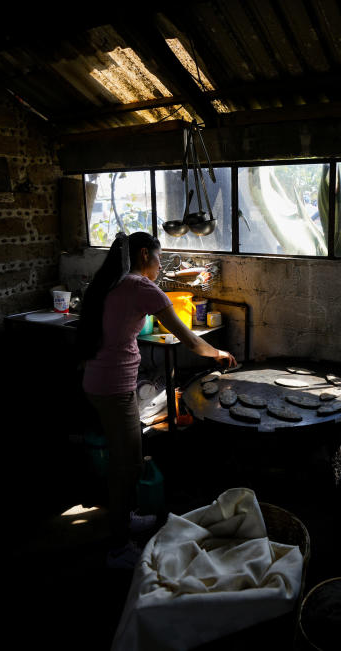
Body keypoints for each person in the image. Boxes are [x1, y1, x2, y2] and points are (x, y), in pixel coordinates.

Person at [78, 231, 235, 569]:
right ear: (145, 253)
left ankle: (126, 516)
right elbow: (190, 340)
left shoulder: (110, 282)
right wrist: (218, 353)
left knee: (125, 459)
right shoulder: (140, 287)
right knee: (128, 465)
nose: (160, 265)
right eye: (159, 258)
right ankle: (118, 546)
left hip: (96, 383)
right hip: (113, 389)